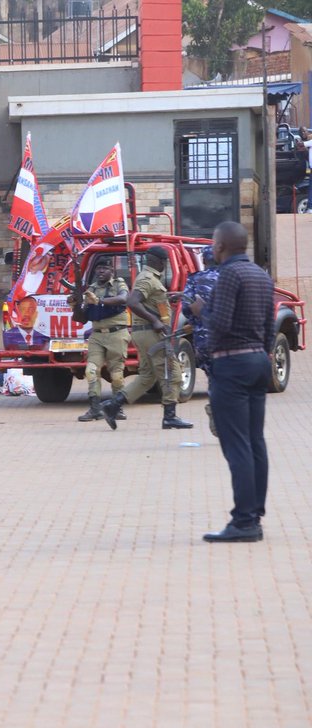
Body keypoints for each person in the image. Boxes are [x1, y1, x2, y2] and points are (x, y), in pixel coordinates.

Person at [196, 221, 273, 543]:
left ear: (222, 246)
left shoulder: (229, 274)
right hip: (257, 361)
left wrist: (201, 311)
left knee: (237, 443)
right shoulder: (260, 275)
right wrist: (262, 356)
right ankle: (254, 514)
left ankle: (243, 522)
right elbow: (269, 326)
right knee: (255, 441)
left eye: (214, 243)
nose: (212, 248)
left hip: (233, 363)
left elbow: (222, 324)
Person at [99, 246, 193, 430]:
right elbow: (132, 301)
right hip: (151, 332)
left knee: (148, 376)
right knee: (172, 373)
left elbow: (147, 300)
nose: (165, 265)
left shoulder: (148, 279)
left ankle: (112, 405)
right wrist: (154, 321)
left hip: (144, 333)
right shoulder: (148, 278)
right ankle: (169, 417)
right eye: (164, 262)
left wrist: (167, 297)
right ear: (158, 261)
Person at [70, 257, 129, 422]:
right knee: (91, 371)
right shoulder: (92, 289)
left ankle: (117, 408)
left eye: (104, 268)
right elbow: (81, 318)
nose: (101, 271)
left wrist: (100, 301)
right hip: (97, 335)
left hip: (117, 333)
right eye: (98, 269)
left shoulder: (119, 284)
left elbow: (124, 299)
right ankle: (95, 409)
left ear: (112, 271)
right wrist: (75, 304)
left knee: (116, 375)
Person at [181, 245, 221, 435]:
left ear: (204, 261)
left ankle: (216, 408)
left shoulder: (194, 279)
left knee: (213, 375)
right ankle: (222, 412)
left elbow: (186, 308)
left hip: (203, 339)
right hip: (227, 338)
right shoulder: (229, 277)